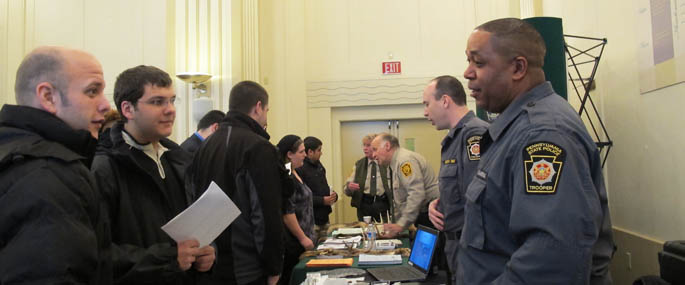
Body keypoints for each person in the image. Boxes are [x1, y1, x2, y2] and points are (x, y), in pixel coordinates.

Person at [457, 18, 615, 284]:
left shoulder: (542, 135)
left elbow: (549, 261)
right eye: (468, 61)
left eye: (479, 62)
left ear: (518, 68)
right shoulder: (517, 128)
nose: (467, 73)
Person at [91, 65, 215, 284]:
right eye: (157, 102)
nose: (170, 110)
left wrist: (206, 252)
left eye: (172, 100)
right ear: (128, 109)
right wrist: (168, 259)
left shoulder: (178, 159)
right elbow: (96, 253)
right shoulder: (104, 168)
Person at [0, 46, 112, 284]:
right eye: (92, 91)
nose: (106, 105)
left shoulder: (12, 148)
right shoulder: (52, 175)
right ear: (48, 97)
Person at [186, 80, 290, 285]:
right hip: (247, 268)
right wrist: (274, 267)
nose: (266, 117)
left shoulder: (205, 146)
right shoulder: (258, 147)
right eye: (267, 110)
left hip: (211, 263)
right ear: (258, 107)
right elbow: (266, 212)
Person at [422, 75, 488, 283]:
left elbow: (478, 200)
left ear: (445, 101)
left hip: (472, 250)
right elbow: (459, 190)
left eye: (427, 104)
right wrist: (438, 204)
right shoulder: (456, 137)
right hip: (457, 246)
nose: (425, 112)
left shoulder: (473, 135)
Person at [370, 133, 439, 238]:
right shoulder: (394, 164)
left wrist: (401, 225)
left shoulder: (405, 161)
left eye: (375, 149)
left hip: (430, 218)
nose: (373, 155)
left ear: (387, 146)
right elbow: (400, 199)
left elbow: (416, 194)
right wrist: (396, 225)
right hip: (423, 217)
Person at [277, 135, 315, 285]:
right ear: (289, 155)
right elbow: (287, 212)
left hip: (306, 235)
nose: (305, 155)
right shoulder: (287, 178)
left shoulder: (297, 173)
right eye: (301, 152)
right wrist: (302, 238)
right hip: (294, 241)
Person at [343, 133, 393, 222]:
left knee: (384, 232)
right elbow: (346, 189)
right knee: (366, 232)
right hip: (364, 207)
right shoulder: (359, 165)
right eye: (364, 145)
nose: (365, 148)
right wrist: (349, 187)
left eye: (368, 145)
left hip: (383, 205)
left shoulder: (387, 163)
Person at [296, 136, 337, 235]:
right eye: (319, 150)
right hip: (311, 221)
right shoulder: (300, 168)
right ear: (310, 152)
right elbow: (301, 197)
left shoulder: (319, 165)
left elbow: (323, 186)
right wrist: (322, 200)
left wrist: (333, 195)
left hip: (324, 217)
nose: (321, 153)